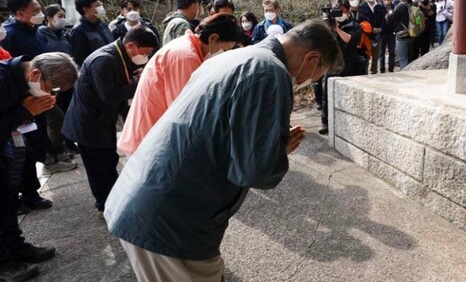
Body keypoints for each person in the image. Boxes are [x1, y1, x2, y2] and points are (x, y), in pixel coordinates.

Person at [104, 20, 342, 281]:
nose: (307, 83)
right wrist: (273, 153)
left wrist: (269, 147)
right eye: (315, 77)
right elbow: (253, 171)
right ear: (311, 58)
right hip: (169, 219)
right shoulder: (270, 72)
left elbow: (222, 134)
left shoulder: (233, 58)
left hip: (145, 198)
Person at [62, 27, 159, 219]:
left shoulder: (121, 56)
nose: (145, 57)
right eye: (145, 52)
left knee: (108, 161)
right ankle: (105, 207)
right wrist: (139, 83)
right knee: (99, 167)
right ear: (131, 46)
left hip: (102, 119)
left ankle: (115, 202)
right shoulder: (104, 60)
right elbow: (110, 96)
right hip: (89, 122)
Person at [0, 52, 78, 281]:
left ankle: (17, 248)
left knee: (6, 200)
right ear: (35, 74)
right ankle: (4, 263)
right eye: (50, 88)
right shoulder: (3, 82)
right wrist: (24, 112)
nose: (49, 94)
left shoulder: (21, 80)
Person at [117, 14, 240, 156]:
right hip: (148, 139)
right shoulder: (185, 57)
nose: (225, 54)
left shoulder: (189, 48)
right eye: (225, 49)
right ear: (213, 38)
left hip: (155, 134)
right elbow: (186, 111)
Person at [1, 0, 52, 214]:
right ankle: (19, 195)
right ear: (19, 14)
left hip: (29, 98)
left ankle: (30, 193)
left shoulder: (34, 32)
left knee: (27, 152)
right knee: (18, 155)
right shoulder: (11, 35)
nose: (40, 14)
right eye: (36, 11)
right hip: (14, 105)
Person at [37, 5, 77, 173]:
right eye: (59, 16)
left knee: (66, 114)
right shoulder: (40, 34)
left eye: (63, 15)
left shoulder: (64, 35)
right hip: (49, 83)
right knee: (54, 119)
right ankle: (54, 153)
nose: (63, 19)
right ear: (49, 17)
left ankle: (65, 147)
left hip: (65, 81)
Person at [320, 0, 363, 134]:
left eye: (341, 10)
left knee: (348, 96)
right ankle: (326, 122)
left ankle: (349, 122)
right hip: (332, 64)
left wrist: (337, 29)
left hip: (349, 64)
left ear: (347, 9)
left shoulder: (355, 25)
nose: (338, 13)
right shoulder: (329, 24)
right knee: (327, 95)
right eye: (336, 10)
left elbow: (350, 40)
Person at [68, 0, 114, 67]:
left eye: (101, 5)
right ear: (86, 9)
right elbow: (80, 60)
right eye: (97, 5)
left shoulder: (103, 25)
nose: (102, 8)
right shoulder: (78, 30)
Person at [357, 0, 386, 74]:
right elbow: (361, 21)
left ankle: (374, 72)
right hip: (367, 36)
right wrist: (371, 29)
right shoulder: (361, 7)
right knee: (366, 56)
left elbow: (383, 19)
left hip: (377, 35)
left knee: (376, 57)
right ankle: (365, 72)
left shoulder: (380, 7)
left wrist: (380, 28)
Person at [386, 0, 413, 69]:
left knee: (403, 58)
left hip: (402, 34)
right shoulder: (410, 3)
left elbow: (390, 19)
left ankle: (405, 76)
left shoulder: (400, 6)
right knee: (410, 58)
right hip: (412, 32)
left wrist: (388, 15)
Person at [378, 0, 396, 73]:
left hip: (391, 32)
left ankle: (391, 68)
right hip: (382, 33)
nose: (387, 1)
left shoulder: (394, 7)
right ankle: (382, 69)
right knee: (381, 53)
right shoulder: (379, 8)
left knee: (391, 52)